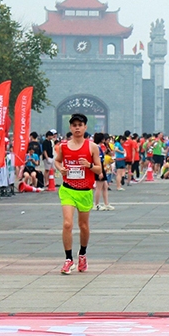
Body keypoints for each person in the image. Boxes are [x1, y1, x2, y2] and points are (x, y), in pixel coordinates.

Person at [53, 114, 102, 275]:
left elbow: (99, 169)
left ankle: (82, 254)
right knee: (67, 224)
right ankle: (68, 259)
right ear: (70, 127)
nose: (77, 128)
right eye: (74, 125)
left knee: (83, 226)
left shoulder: (92, 147)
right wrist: (60, 169)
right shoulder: (64, 146)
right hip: (68, 189)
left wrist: (88, 165)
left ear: (85, 127)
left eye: (80, 125)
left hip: (85, 191)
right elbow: (58, 161)